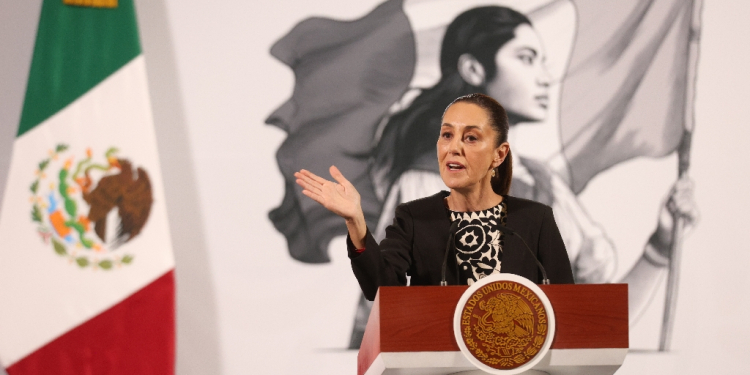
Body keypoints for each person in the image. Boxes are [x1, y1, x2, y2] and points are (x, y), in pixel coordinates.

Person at [369, 6, 698, 321]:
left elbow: (595, 323)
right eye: (526, 59)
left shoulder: (545, 183)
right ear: (474, 69)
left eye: (543, 61)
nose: (545, 77)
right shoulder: (426, 184)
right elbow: (398, 325)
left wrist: (661, 245)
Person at [295, 94, 575, 301]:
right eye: (446, 135)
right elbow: (382, 289)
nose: (453, 148)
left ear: (499, 155)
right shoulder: (414, 218)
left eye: (471, 138)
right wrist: (356, 221)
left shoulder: (535, 219)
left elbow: (567, 305)